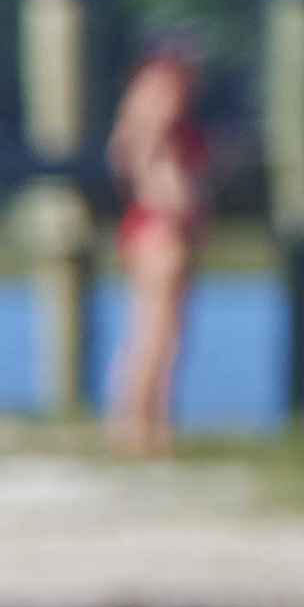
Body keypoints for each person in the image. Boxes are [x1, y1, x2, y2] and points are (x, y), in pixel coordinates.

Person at [105, 35, 208, 467]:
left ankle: (134, 426)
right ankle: (149, 430)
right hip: (162, 228)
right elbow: (147, 149)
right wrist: (170, 196)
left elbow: (124, 151)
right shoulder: (161, 90)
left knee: (147, 331)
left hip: (150, 224)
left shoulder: (140, 95)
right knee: (161, 334)